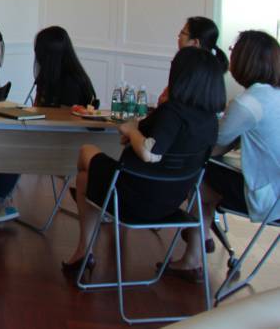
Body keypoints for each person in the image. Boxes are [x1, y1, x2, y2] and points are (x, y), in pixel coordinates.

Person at [62, 47, 224, 274]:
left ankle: (85, 248)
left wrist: (130, 131)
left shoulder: (173, 113)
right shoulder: (211, 121)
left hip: (134, 200)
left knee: (86, 152)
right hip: (170, 202)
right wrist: (137, 133)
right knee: (84, 179)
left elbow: (150, 153)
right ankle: (83, 246)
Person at [168, 30, 280, 278]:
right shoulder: (273, 95)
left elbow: (213, 141)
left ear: (245, 59)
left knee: (197, 178)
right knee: (208, 176)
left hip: (272, 200)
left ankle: (194, 253)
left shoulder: (249, 103)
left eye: (233, 51)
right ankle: (201, 237)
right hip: (276, 190)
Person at [0, 26, 98, 226]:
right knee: (1, 141)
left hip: (65, 147)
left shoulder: (71, 82)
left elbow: (62, 122)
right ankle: (1, 200)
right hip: (49, 138)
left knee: (10, 148)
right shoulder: (51, 76)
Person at [158, 16, 229, 104]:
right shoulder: (211, 69)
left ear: (195, 42)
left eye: (183, 33)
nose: (179, 35)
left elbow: (169, 101)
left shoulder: (195, 72)